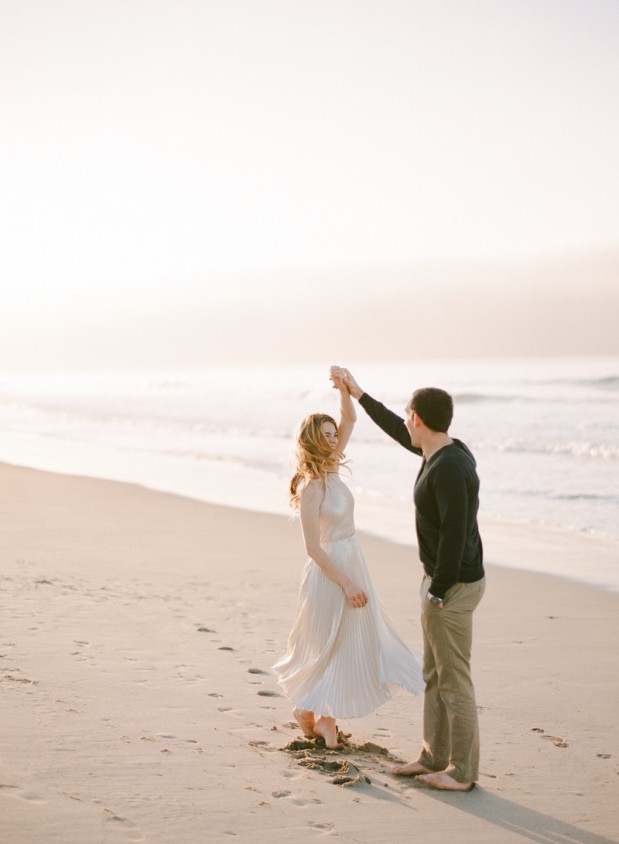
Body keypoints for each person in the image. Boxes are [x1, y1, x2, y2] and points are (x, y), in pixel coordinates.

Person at [330, 365, 485, 792]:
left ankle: (463, 772)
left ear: (418, 417)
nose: (404, 422)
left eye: (406, 414)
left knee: (454, 680)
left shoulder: (450, 466)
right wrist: (359, 395)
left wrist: (438, 590)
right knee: (435, 675)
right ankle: (433, 756)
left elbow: (456, 533)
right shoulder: (440, 451)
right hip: (442, 581)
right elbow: (397, 432)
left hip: (450, 587)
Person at [272, 374, 424, 750]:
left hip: (353, 563)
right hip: (330, 573)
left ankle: (316, 716)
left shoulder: (334, 468)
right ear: (310, 441)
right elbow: (312, 548)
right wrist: (347, 583)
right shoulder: (311, 487)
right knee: (326, 644)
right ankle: (319, 718)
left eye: (333, 434)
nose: (333, 438)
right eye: (324, 435)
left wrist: (344, 389)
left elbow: (351, 421)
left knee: (349, 642)